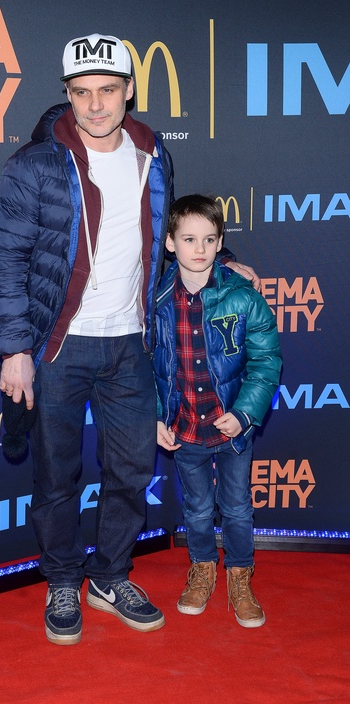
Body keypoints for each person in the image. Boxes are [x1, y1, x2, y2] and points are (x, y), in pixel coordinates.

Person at [0, 34, 260, 646]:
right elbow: (4, 259)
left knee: (132, 470)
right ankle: (63, 580)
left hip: (131, 344)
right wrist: (16, 350)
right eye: (81, 92)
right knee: (56, 476)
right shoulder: (35, 164)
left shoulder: (153, 155)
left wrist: (221, 260)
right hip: (58, 346)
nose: (95, 105)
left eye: (107, 90)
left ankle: (109, 576)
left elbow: (164, 235)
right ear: (67, 94)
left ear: (129, 90)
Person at [153, 194, 282, 628]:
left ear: (221, 241)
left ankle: (240, 576)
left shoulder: (243, 296)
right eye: (189, 239)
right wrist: (157, 416)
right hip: (184, 427)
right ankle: (203, 567)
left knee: (238, 507)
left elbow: (266, 362)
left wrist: (244, 414)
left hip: (232, 430)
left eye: (209, 239)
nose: (200, 248)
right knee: (196, 508)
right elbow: (146, 366)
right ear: (170, 242)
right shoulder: (155, 300)